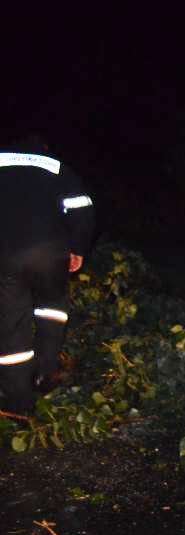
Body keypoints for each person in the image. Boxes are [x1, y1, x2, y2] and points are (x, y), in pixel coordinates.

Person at [0, 139, 97, 414]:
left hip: (5, 253)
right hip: (51, 253)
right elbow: (82, 208)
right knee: (51, 310)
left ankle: (18, 401)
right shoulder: (55, 166)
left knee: (10, 323)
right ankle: (44, 373)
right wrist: (78, 247)